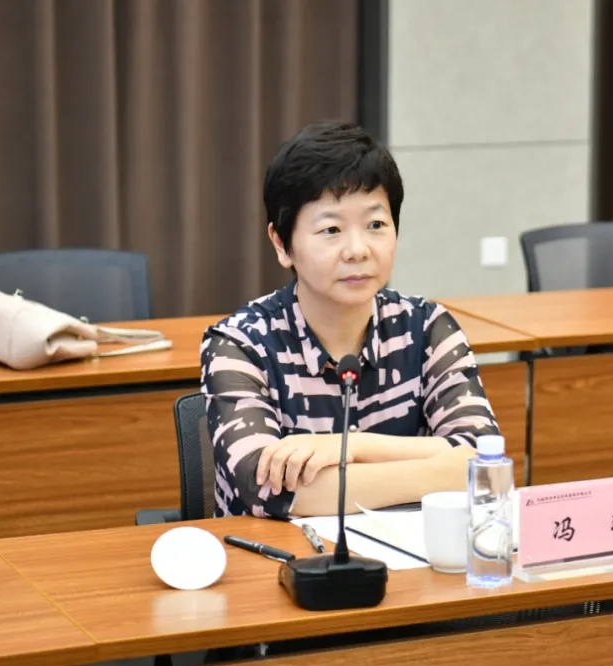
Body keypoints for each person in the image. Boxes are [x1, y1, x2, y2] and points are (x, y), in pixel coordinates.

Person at [200, 120, 501, 519]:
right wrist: (439, 467)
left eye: (376, 225)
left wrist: (348, 448)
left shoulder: (428, 328)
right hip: (278, 556)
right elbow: (270, 492)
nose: (358, 250)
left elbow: (487, 466)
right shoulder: (239, 344)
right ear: (281, 244)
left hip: (406, 553)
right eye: (331, 229)